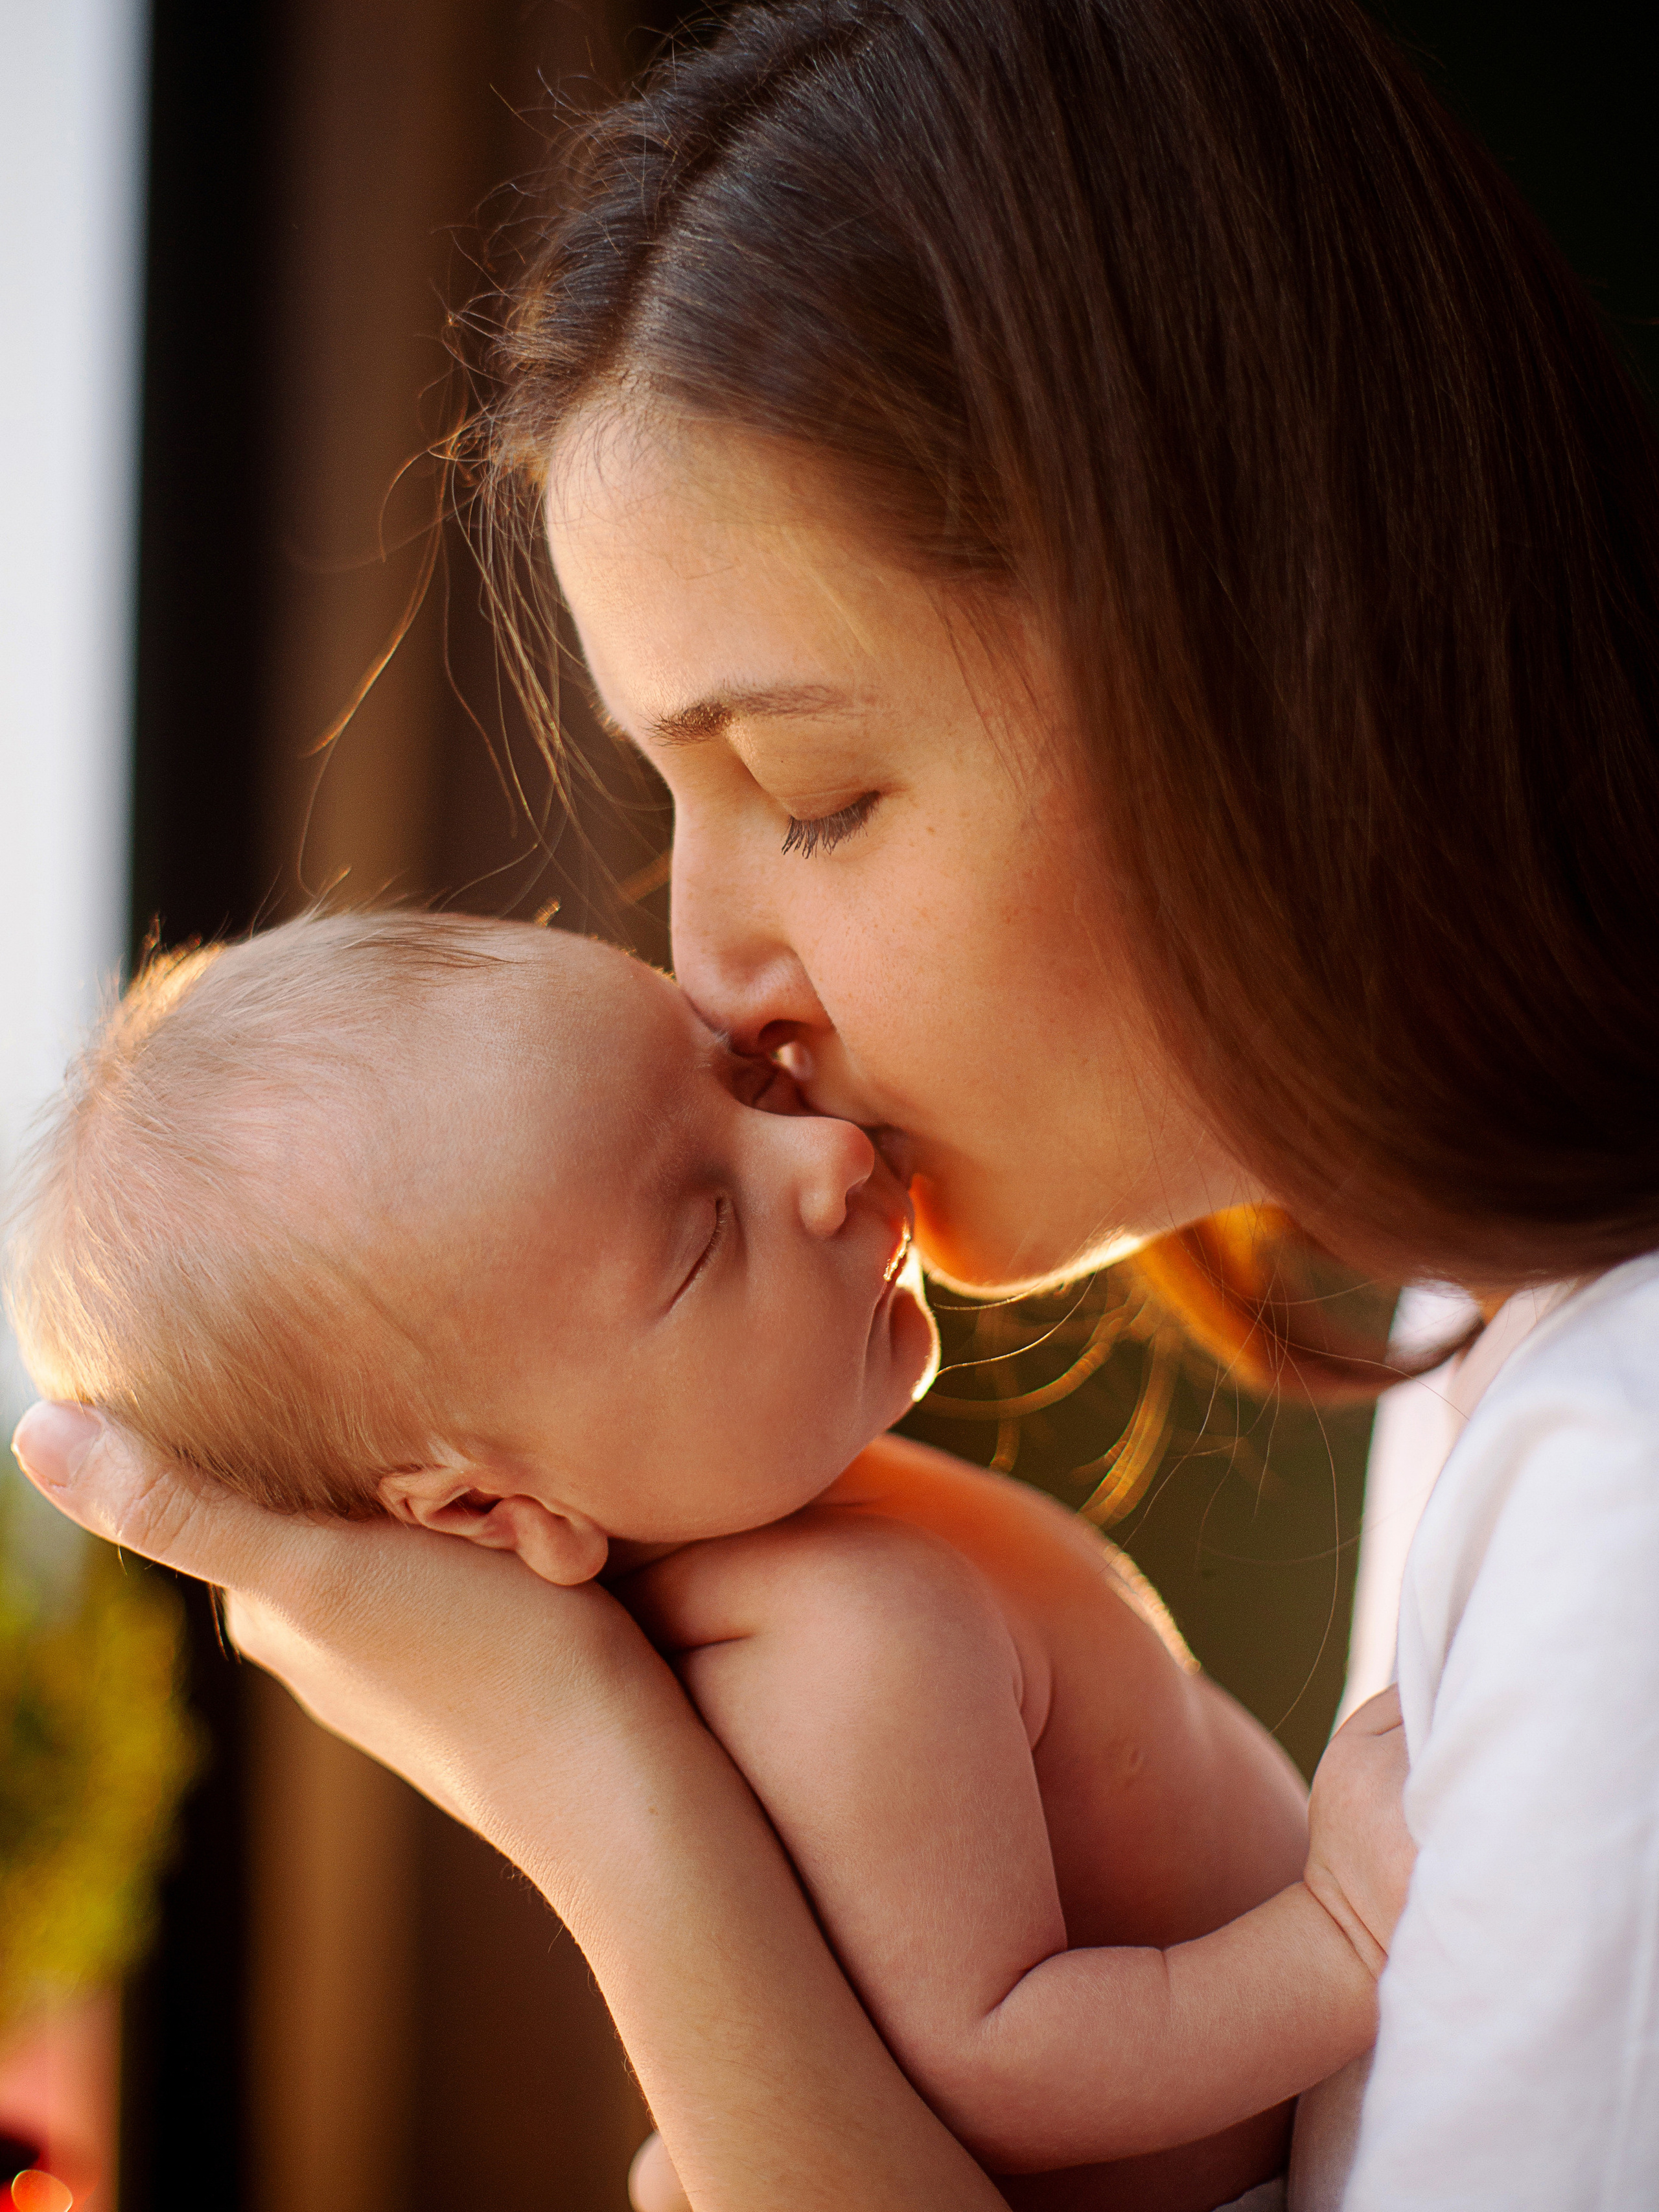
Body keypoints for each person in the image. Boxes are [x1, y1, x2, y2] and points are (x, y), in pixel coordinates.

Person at [12, 0, 1659, 2207]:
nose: (712, 977)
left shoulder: (1627, 1489)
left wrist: (600, 1795)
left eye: (812, 792)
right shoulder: (1489, 1325)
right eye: (675, 807)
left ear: (1255, 666)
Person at [7, 909, 1406, 2212]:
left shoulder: (797, 1511)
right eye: (701, 1230)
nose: (828, 1156)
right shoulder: (838, 1645)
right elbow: (1004, 2057)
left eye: (739, 1082)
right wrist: (1337, 1940)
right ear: (496, 1512)